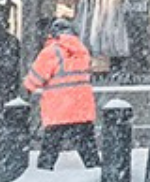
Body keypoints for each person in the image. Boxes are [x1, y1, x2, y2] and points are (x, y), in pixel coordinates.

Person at [25, 18, 100, 170]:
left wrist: (27, 89)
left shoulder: (51, 52)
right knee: (88, 152)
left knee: (49, 152)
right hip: (81, 110)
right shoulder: (83, 52)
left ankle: (41, 180)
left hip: (58, 111)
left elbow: (34, 79)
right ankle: (97, 178)